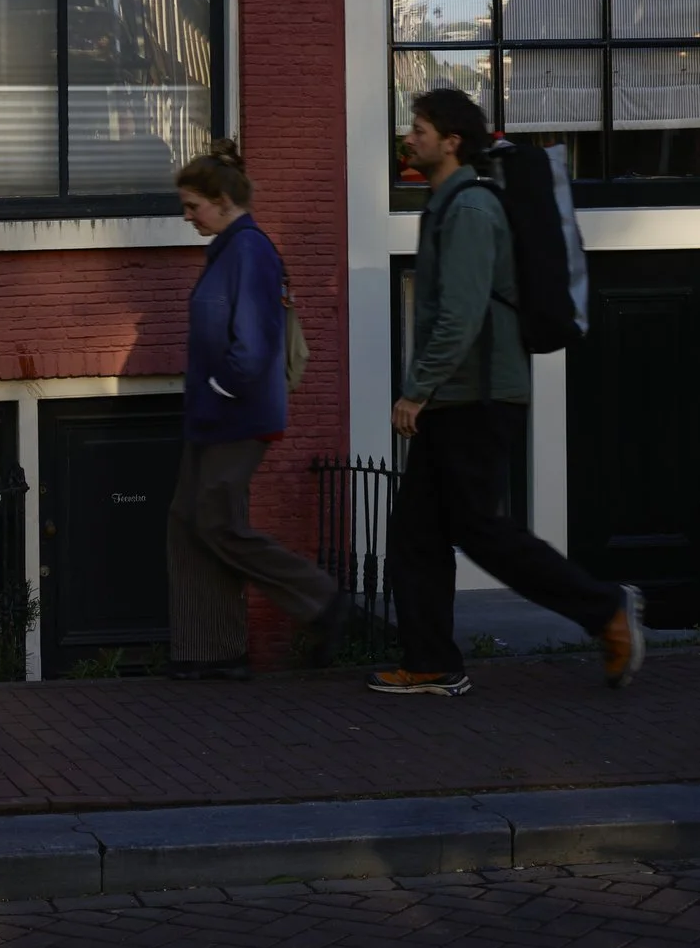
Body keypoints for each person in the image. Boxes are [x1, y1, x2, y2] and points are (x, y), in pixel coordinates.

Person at [381, 88, 646, 696]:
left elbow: (462, 315)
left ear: (450, 142)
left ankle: (604, 609)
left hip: (476, 397)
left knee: (480, 530)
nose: (410, 137)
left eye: (420, 128)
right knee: (418, 533)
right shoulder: (446, 203)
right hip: (458, 395)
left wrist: (415, 391)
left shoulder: (471, 209)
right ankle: (430, 663)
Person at [166, 146, 349, 679]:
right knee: (187, 522)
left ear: (222, 201)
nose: (187, 216)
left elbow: (255, 342)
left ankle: (322, 600)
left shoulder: (251, 251)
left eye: (192, 205)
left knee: (218, 524)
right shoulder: (227, 249)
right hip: (211, 415)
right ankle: (209, 649)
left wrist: (222, 388)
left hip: (236, 417)